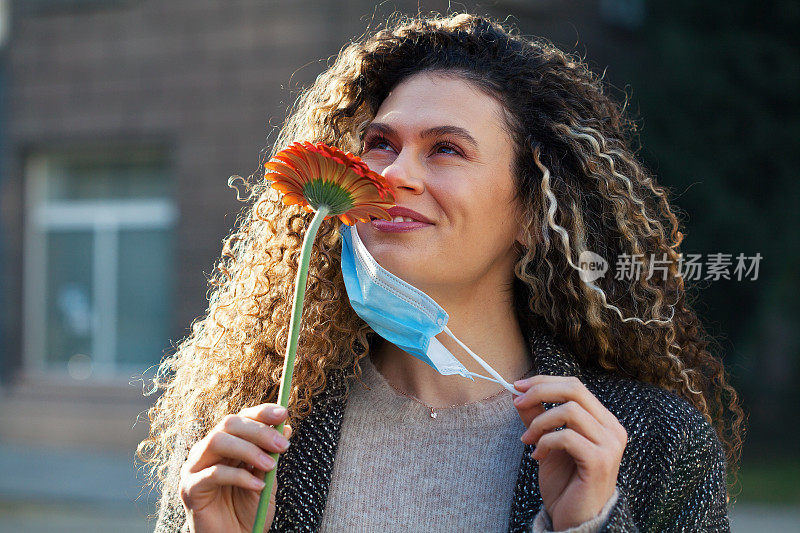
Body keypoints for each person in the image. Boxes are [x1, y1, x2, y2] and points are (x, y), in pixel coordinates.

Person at [138, 11, 745, 533]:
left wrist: (588, 525)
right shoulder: (246, 431)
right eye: (380, 144)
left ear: (535, 212)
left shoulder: (657, 443)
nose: (394, 175)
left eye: (446, 149)